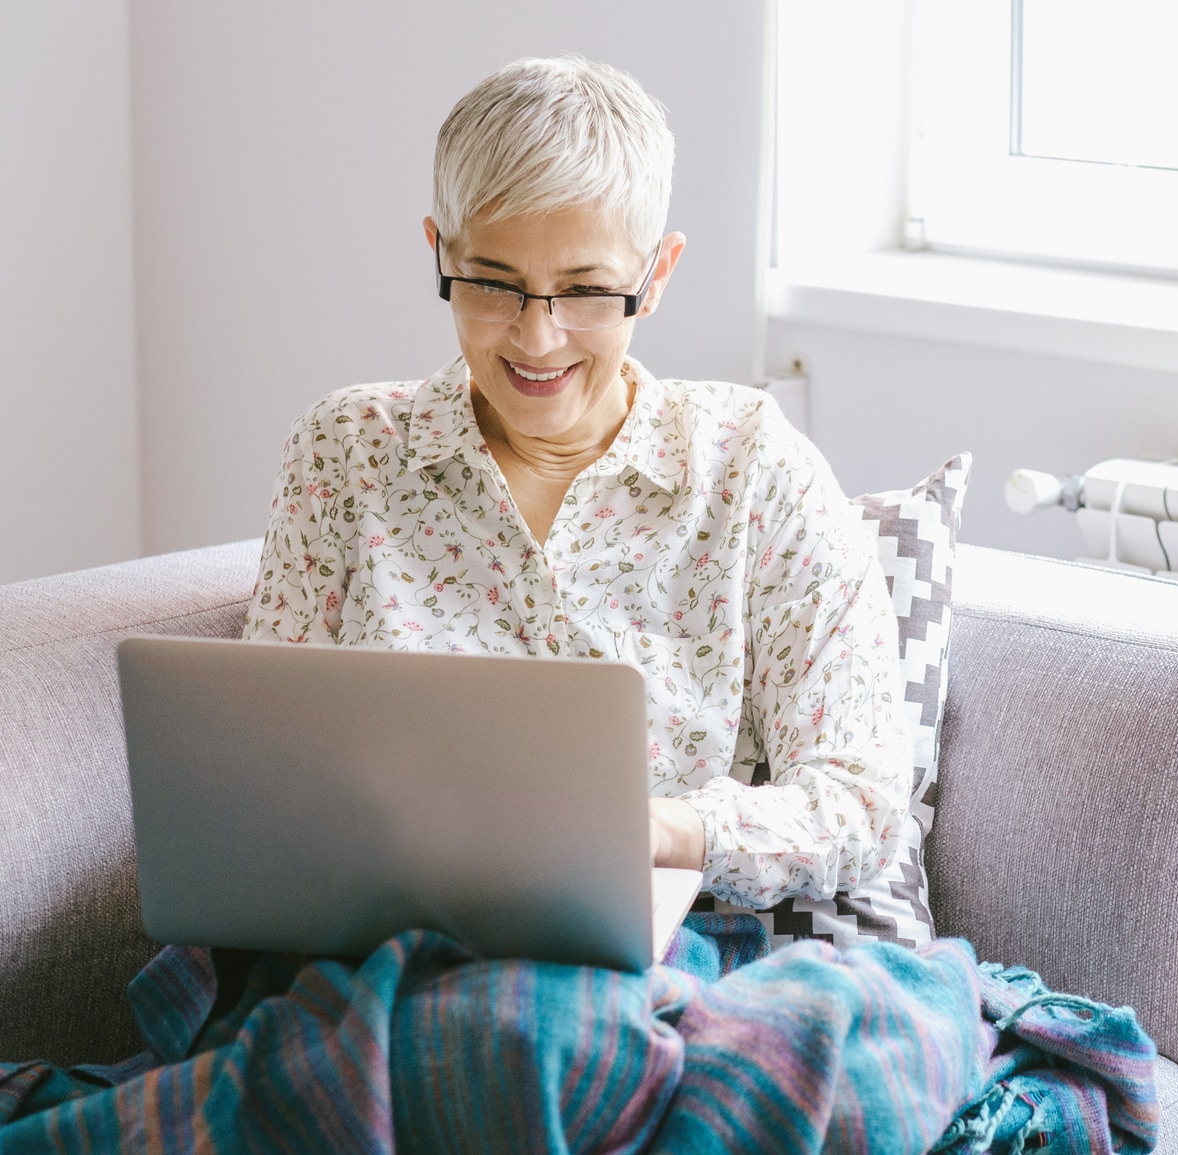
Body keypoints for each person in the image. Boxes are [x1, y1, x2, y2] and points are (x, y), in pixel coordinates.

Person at [242, 54, 912, 912]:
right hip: (390, 942)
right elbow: (264, 766)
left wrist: (651, 828)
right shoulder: (348, 450)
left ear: (656, 276)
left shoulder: (751, 466)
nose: (538, 337)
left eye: (587, 292)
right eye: (493, 284)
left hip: (660, 953)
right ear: (438, 253)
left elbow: (862, 800)